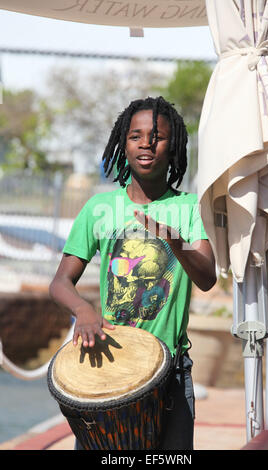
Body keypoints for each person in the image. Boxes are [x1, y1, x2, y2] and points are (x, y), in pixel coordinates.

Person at [49, 96, 216, 450]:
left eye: (158, 136)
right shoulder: (100, 207)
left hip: (170, 373)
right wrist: (83, 310)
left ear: (173, 148)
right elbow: (61, 281)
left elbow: (207, 277)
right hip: (107, 368)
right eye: (136, 136)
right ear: (122, 144)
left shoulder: (189, 208)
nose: (146, 144)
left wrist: (175, 241)